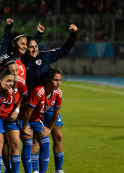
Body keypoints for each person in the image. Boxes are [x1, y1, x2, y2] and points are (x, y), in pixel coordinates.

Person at [24, 24, 77, 173]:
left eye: (36, 46)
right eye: (31, 47)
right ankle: (35, 170)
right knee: (35, 139)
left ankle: (58, 170)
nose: (35, 49)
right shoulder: (22, 62)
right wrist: (37, 35)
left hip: (49, 102)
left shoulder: (45, 56)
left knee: (58, 135)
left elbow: (64, 50)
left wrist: (73, 35)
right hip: (34, 103)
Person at [19, 68, 63, 173]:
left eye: (60, 80)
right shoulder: (38, 91)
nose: (58, 83)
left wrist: (49, 128)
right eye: (55, 80)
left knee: (45, 142)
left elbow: (56, 114)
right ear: (47, 80)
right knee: (28, 142)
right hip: (23, 119)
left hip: (35, 120)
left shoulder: (58, 93)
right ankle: (31, 171)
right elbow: (27, 112)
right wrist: (24, 128)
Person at [0, 58, 28, 173]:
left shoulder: (20, 82)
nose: (15, 74)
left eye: (16, 70)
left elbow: (23, 95)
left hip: (10, 117)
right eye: (11, 71)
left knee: (16, 143)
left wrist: (16, 110)